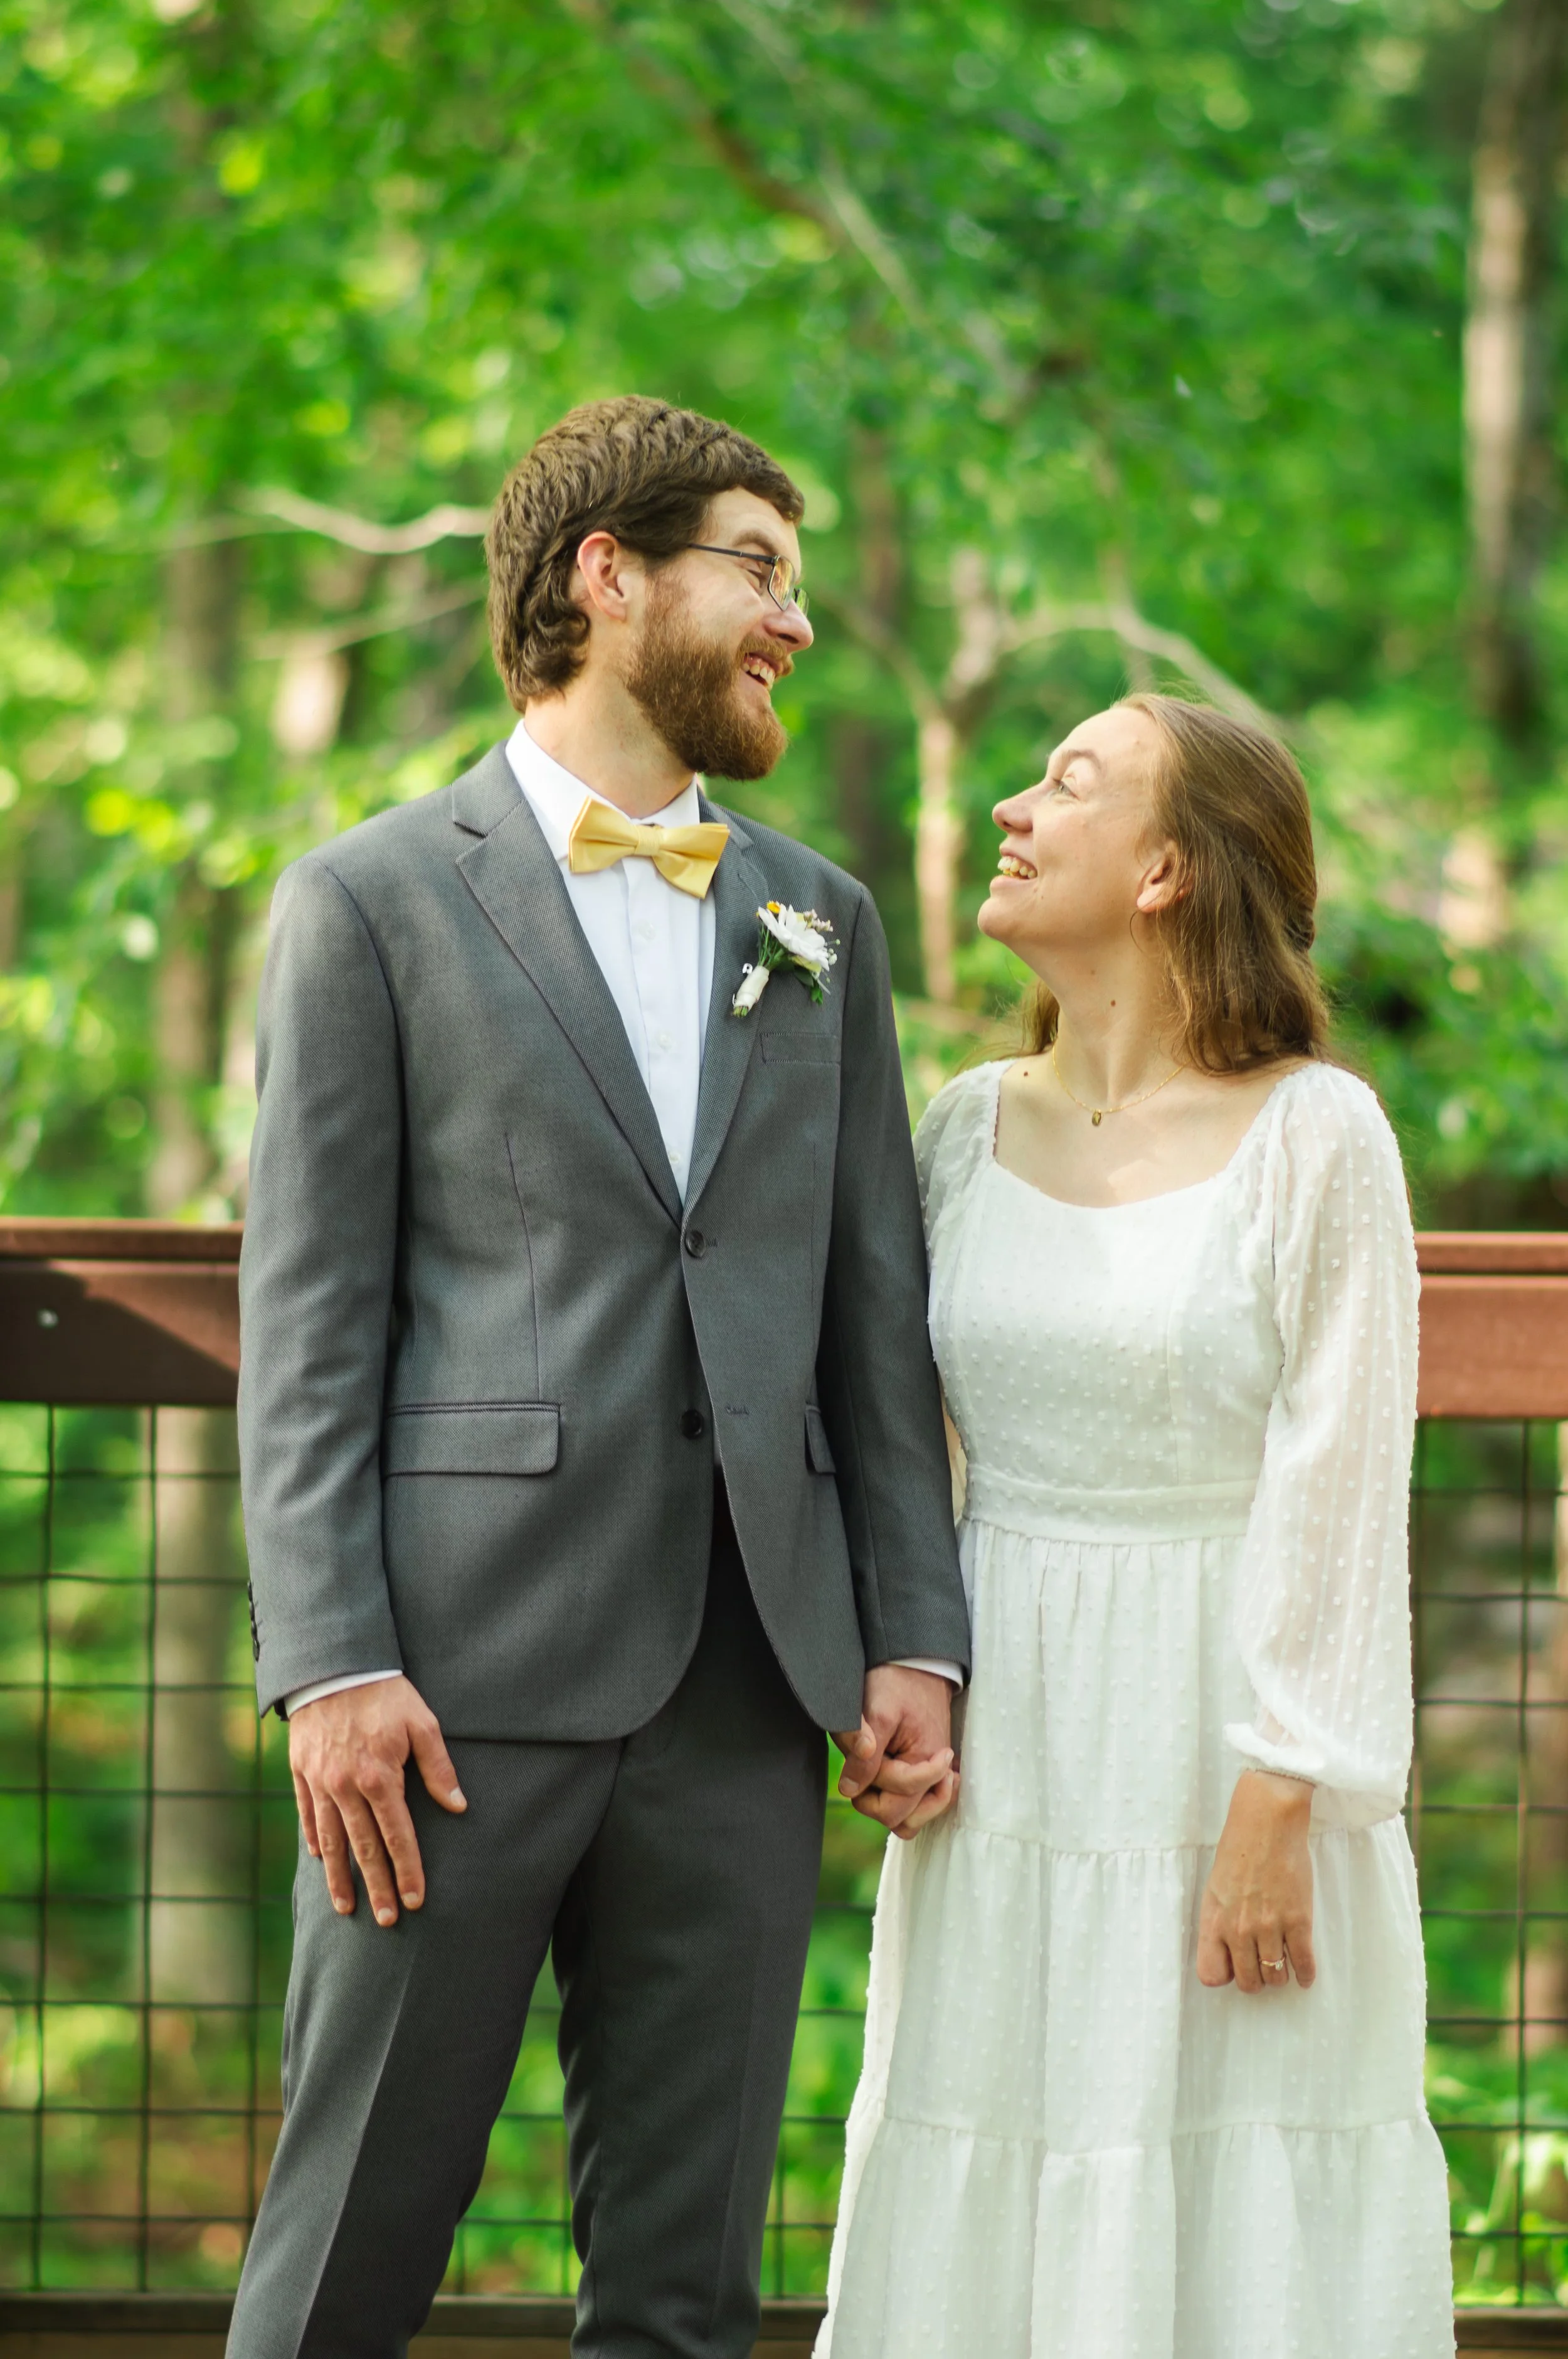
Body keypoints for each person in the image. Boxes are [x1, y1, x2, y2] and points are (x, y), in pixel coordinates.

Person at [227, 395, 970, 2359]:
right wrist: (331, 1661)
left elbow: (866, 1309)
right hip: (446, 1692)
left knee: (684, 2289)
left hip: (748, 1679)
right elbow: (305, 1322)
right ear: (606, 575)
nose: (789, 621)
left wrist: (916, 1635)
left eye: (795, 583)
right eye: (756, 569)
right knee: (343, 2264)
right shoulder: (367, 904)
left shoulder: (821, 919)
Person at [818, 695, 1454, 2358]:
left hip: (1230, 1751)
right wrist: (900, 1666)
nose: (1017, 809)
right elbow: (898, 1445)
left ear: (1168, 867)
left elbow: (1338, 1480)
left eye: (1069, 783)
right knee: (986, 2158)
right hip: (1009, 1750)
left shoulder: (1316, 1136)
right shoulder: (960, 1125)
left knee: (1229, 2196)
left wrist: (1276, 1790)